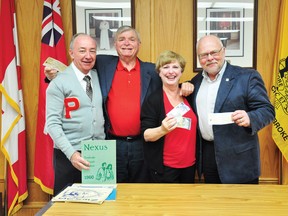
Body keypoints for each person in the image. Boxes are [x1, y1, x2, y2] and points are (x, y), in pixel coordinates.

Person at [45, 26, 194, 183]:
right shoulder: (102, 64)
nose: (127, 43)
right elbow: (76, 69)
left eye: (132, 39)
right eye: (121, 39)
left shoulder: (151, 70)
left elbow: (170, 78)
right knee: (112, 190)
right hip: (110, 144)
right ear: (115, 45)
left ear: (139, 44)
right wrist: (52, 77)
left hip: (142, 144)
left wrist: (186, 85)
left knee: (141, 192)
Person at [191, 34, 275, 184]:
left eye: (214, 52)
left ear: (223, 51)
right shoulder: (196, 82)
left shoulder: (246, 77)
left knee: (243, 206)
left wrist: (250, 118)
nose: (210, 58)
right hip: (208, 156)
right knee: (213, 204)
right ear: (199, 58)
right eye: (204, 55)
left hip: (240, 159)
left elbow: (267, 110)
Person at [45, 33, 105, 195]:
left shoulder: (99, 77)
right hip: (69, 155)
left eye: (92, 51)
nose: (88, 56)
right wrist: (71, 154)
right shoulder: (58, 82)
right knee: (68, 206)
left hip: (98, 152)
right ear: (71, 53)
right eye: (82, 51)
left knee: (100, 204)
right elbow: (52, 124)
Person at [141, 50, 198, 183]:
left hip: (190, 166)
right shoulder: (153, 100)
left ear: (181, 71)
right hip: (165, 168)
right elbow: (146, 135)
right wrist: (162, 130)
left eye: (175, 67)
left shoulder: (189, 94)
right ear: (159, 73)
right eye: (165, 67)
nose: (170, 71)